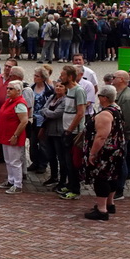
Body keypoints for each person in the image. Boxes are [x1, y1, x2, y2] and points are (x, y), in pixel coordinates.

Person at [81, 85, 126, 220]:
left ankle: (102, 209)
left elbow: (101, 136)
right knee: (112, 176)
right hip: (116, 150)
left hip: (105, 153)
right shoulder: (117, 108)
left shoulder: (105, 114)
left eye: (100, 96)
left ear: (104, 98)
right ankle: (109, 203)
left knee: (101, 178)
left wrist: (92, 153)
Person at [57, 65, 87, 201]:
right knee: (66, 161)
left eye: (63, 75)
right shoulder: (68, 91)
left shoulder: (78, 91)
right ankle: (70, 185)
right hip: (67, 130)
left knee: (73, 162)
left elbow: (80, 113)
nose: (60, 77)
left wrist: (70, 130)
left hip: (74, 133)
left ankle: (75, 190)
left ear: (70, 77)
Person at [0, 80, 29, 194]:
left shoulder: (19, 104)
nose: (8, 90)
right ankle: (11, 180)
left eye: (11, 89)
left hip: (13, 136)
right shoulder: (9, 101)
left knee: (15, 161)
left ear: (18, 91)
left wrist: (15, 135)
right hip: (5, 135)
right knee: (8, 160)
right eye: (8, 88)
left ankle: (18, 184)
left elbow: (23, 121)